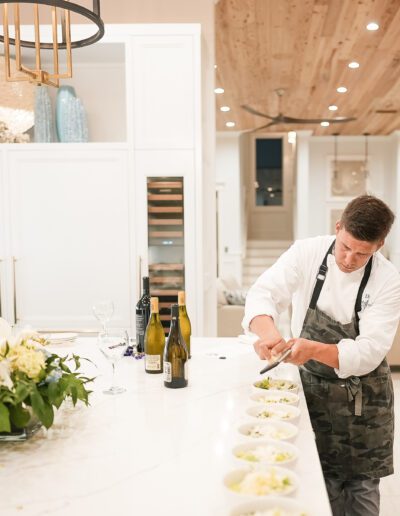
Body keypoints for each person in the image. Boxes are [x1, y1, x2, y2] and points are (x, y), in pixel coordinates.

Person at [243, 195, 400, 516]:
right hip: (314, 391)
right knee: (320, 486)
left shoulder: (389, 280)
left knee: (361, 491)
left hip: (364, 401)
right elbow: (263, 293)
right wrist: (269, 335)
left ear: (380, 245)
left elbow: (369, 351)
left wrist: (312, 349)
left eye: (362, 253)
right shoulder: (307, 252)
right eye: (345, 247)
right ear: (338, 227)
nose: (349, 259)